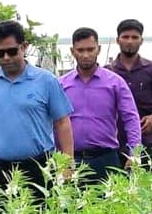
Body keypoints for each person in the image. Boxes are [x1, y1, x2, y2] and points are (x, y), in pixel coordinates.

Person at [0, 20, 74, 200]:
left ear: (24, 47)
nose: (6, 58)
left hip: (38, 167)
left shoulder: (46, 81)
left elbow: (62, 122)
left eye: (12, 51)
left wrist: (67, 165)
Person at [60, 27, 141, 183]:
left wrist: (135, 153)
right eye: (80, 50)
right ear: (72, 51)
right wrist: (60, 161)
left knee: (111, 206)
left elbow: (131, 118)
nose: (85, 55)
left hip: (106, 159)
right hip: (71, 161)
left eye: (90, 49)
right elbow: (54, 123)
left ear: (99, 49)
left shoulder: (115, 83)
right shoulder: (61, 85)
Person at [106, 19, 152, 166]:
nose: (130, 41)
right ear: (118, 40)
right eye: (125, 37)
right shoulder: (107, 72)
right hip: (115, 143)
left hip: (148, 140)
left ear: (141, 40)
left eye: (135, 37)